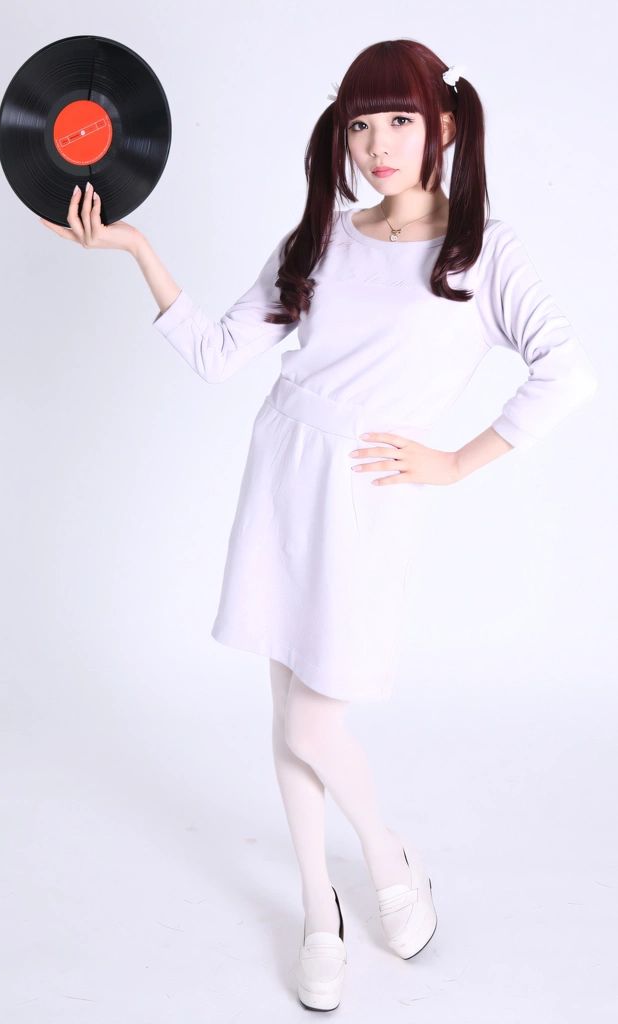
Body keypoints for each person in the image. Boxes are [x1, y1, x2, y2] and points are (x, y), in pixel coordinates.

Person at [40, 38, 599, 1012]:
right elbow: (219, 354)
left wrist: (458, 461)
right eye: (358, 123)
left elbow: (568, 370)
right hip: (281, 471)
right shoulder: (323, 239)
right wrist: (134, 248)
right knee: (285, 708)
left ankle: (385, 854)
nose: (376, 143)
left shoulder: (481, 252)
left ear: (444, 128)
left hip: (368, 494)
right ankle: (316, 908)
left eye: (398, 120)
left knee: (314, 714)